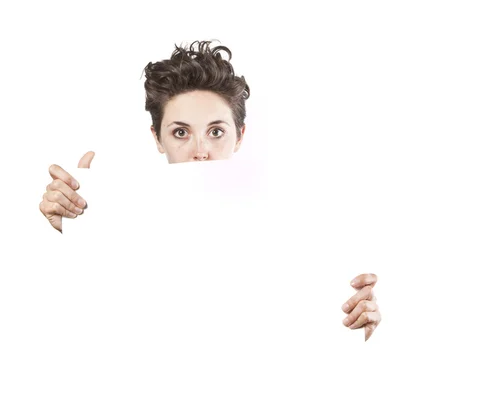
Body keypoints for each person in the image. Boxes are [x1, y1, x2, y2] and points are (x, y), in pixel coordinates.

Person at [38, 40, 382, 341]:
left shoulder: (300, 223)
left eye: (216, 132)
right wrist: (70, 223)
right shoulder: (122, 225)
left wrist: (358, 323)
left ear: (241, 136)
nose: (200, 150)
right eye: (180, 133)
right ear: (157, 139)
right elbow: (89, 315)